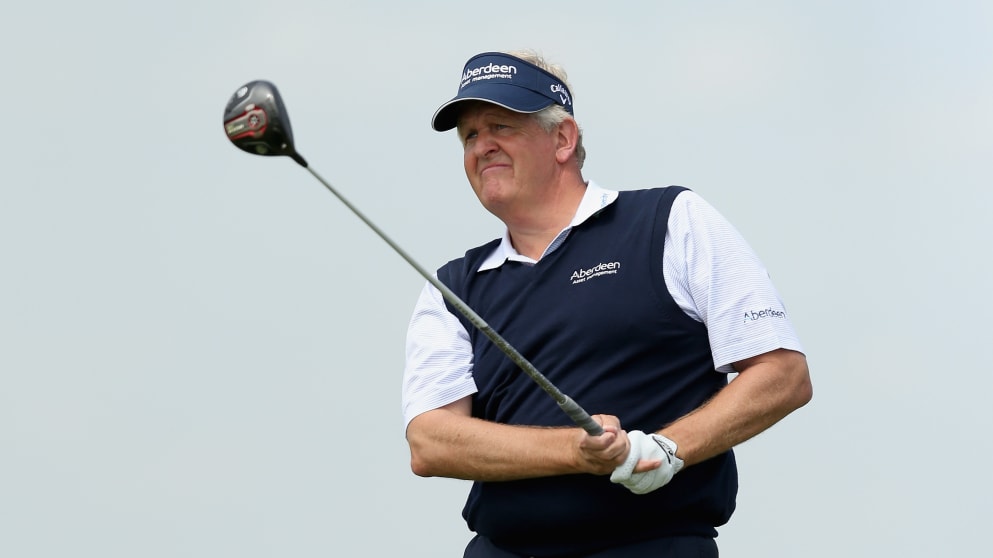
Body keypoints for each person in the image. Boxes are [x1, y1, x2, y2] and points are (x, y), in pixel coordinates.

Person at [402, 50, 812, 558]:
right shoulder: (453, 289)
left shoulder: (670, 222)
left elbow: (783, 374)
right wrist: (575, 451)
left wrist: (668, 450)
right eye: (469, 136)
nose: (481, 146)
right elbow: (430, 442)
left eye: (500, 126)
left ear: (562, 138)